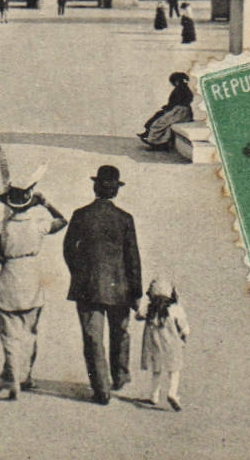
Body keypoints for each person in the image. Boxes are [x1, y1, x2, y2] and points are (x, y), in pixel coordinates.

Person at [0, 170, 67, 401]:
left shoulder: (1, 227)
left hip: (7, 279)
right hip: (31, 280)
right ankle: (26, 376)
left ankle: (12, 381)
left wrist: (2, 256)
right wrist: (47, 204)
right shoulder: (38, 224)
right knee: (30, 332)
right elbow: (62, 221)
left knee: (9, 335)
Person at [63, 164, 142, 405]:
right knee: (120, 333)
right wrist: (136, 291)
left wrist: (79, 273)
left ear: (95, 187)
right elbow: (133, 259)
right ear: (116, 191)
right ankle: (119, 376)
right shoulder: (125, 219)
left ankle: (101, 389)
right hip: (120, 287)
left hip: (87, 287)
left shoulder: (80, 215)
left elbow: (68, 249)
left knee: (92, 338)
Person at [136, 278, 189, 411]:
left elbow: (138, 316)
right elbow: (185, 328)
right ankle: (172, 393)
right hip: (171, 345)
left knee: (156, 371)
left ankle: (154, 395)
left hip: (153, 345)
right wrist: (184, 336)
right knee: (174, 370)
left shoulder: (149, 309)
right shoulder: (175, 309)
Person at [139, 72, 194, 150]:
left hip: (179, 112)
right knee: (163, 122)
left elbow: (176, 103)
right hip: (183, 112)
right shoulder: (184, 88)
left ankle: (156, 143)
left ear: (176, 81)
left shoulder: (180, 89)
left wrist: (167, 108)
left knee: (159, 124)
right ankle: (160, 142)